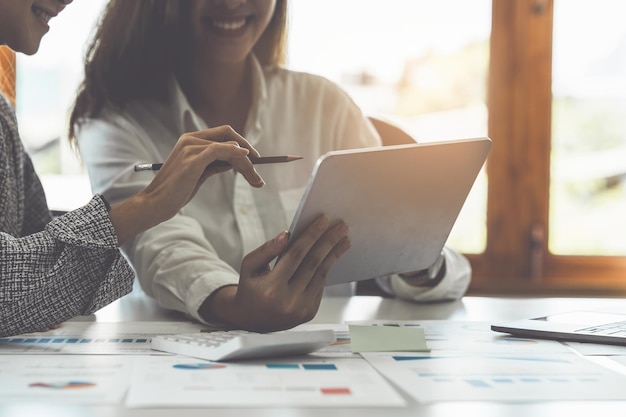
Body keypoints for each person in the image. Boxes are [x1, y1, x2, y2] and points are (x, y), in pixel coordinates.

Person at [70, 0, 471, 332]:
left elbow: (390, 243)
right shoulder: (114, 123)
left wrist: (412, 258)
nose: (230, 2)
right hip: (173, 359)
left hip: (323, 359)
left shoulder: (324, 105)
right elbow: (162, 245)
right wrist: (236, 305)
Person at [0, 0, 350, 338]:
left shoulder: (3, 116)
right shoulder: (115, 120)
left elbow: (40, 272)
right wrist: (148, 205)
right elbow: (27, 279)